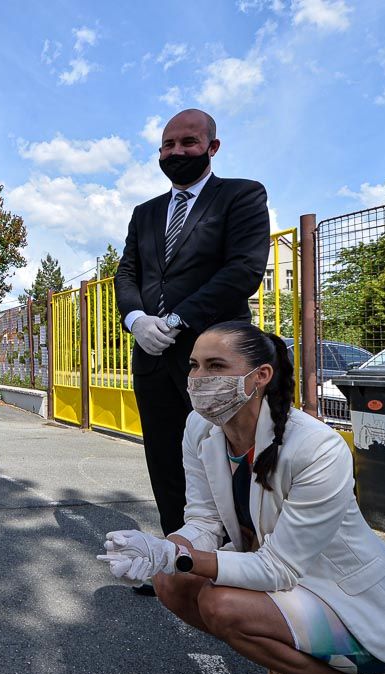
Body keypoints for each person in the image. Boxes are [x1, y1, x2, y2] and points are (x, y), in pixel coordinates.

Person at [97, 322, 385, 674]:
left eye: (216, 366)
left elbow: (278, 568)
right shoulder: (199, 427)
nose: (198, 378)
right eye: (194, 365)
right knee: (170, 581)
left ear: (260, 376)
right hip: (292, 591)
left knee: (220, 604)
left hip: (358, 609)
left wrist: (178, 556)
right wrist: (161, 550)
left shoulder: (317, 447)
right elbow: (204, 521)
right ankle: (287, 661)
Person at [115, 108, 271, 559]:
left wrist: (177, 319)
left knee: (227, 456)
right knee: (165, 459)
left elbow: (243, 270)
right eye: (168, 145)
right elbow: (127, 273)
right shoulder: (145, 213)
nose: (176, 152)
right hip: (152, 355)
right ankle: (177, 555)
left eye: (187, 143)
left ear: (212, 147)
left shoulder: (240, 196)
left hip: (218, 357)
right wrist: (137, 321)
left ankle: (240, 558)